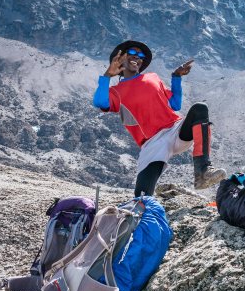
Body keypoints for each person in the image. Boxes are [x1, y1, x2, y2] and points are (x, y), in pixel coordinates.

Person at [92, 40, 226, 197]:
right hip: (153, 143)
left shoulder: (153, 77)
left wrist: (176, 77)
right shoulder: (115, 92)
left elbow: (175, 104)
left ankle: (203, 173)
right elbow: (100, 102)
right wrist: (108, 75)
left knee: (199, 108)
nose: (138, 57)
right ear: (120, 58)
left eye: (140, 55)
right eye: (132, 53)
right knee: (142, 197)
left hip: (176, 130)